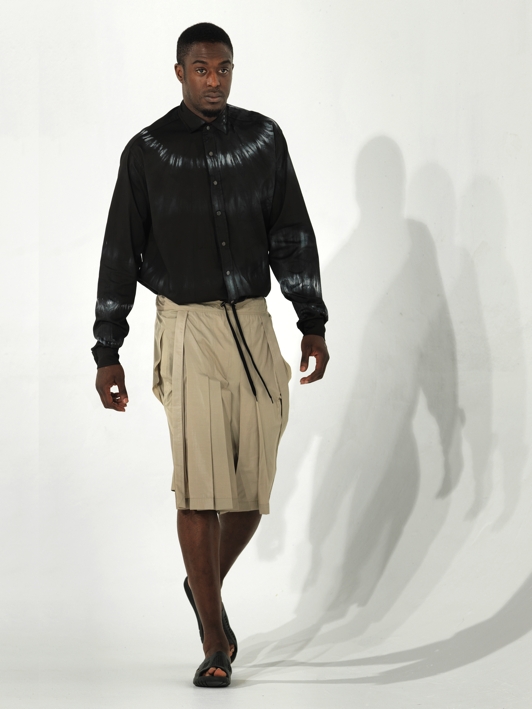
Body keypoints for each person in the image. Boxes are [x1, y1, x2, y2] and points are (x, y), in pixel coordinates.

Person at [92, 22, 329, 687]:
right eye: (201, 69)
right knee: (199, 484)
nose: (215, 80)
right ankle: (214, 639)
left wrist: (311, 320)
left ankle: (203, 585)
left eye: (223, 68)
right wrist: (107, 348)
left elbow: (291, 232)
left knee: (252, 487)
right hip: (187, 327)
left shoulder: (263, 139)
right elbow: (119, 249)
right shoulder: (147, 152)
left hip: (253, 324)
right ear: (180, 72)